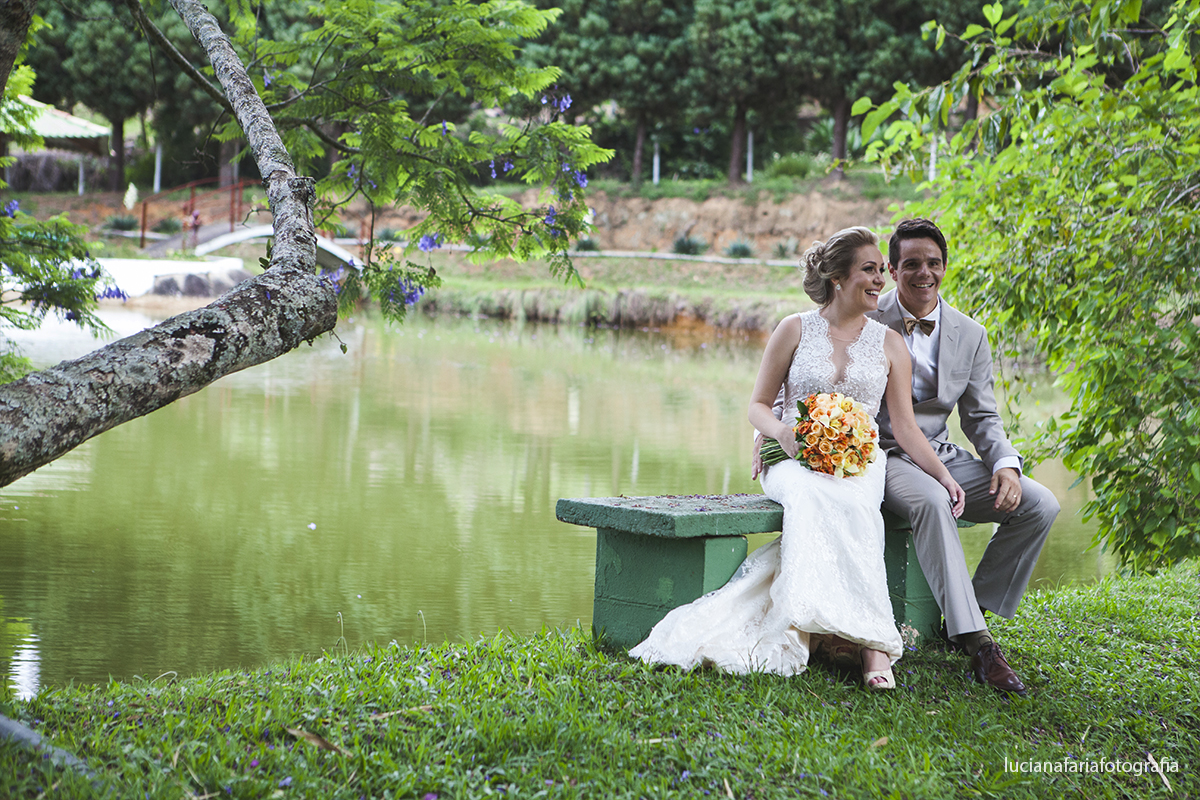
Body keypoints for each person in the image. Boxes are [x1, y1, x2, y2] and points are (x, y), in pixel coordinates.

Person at [630, 226, 966, 690]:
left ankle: (871, 646)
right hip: (793, 457)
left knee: (858, 507)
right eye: (868, 271)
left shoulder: (890, 344)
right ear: (837, 278)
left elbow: (905, 428)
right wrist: (782, 433)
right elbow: (757, 406)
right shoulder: (794, 329)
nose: (879, 281)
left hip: (859, 462)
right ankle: (803, 630)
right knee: (810, 496)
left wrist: (944, 476)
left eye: (879, 272)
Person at [756, 218, 1060, 696]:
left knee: (1041, 505)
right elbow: (801, 379)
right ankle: (977, 641)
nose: (924, 273)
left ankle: (971, 606)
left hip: (932, 449)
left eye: (933, 263)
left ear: (944, 267)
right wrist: (772, 435)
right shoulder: (863, 312)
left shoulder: (970, 334)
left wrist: (1005, 464)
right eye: (910, 264)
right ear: (894, 271)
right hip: (876, 454)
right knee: (932, 501)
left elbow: (982, 417)